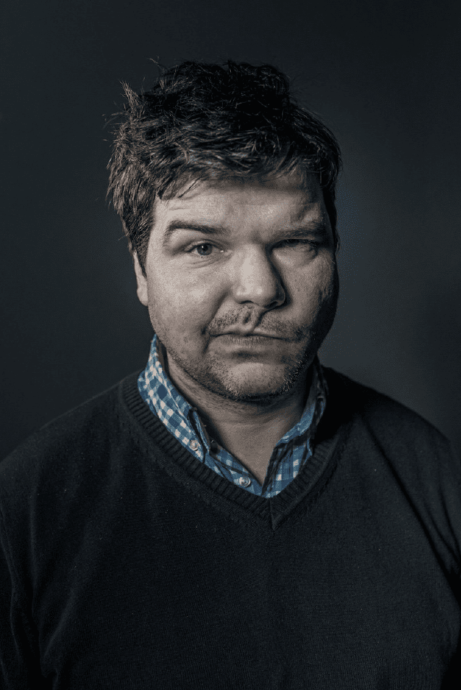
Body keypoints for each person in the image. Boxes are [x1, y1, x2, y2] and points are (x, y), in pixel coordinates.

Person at [0, 61, 460, 690]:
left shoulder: (435, 479)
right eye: (203, 247)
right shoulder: (25, 511)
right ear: (140, 269)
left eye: (296, 242)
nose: (260, 289)